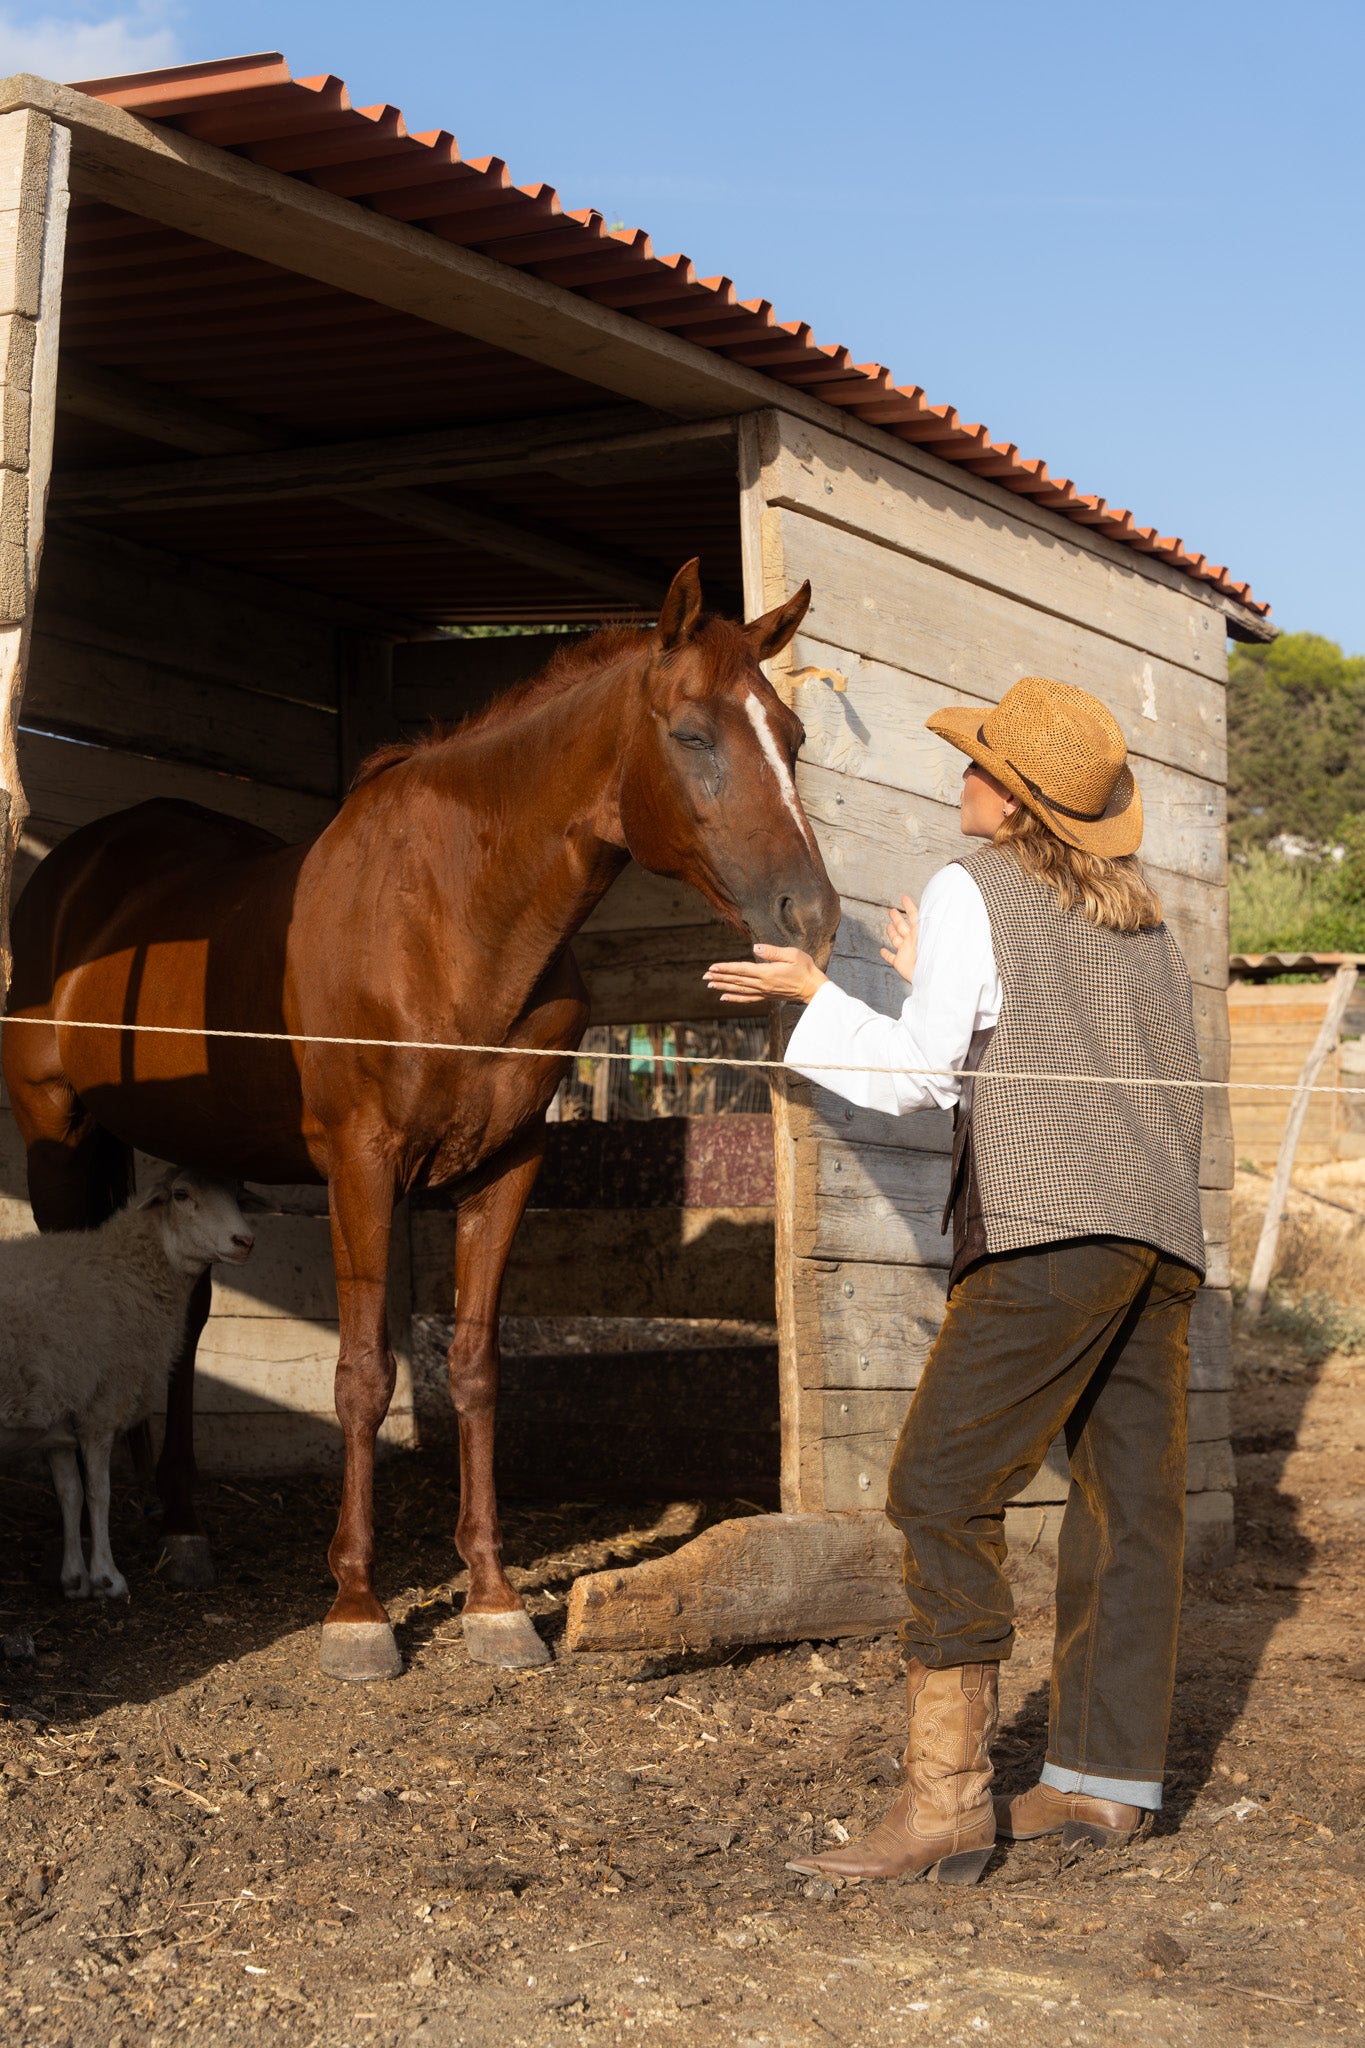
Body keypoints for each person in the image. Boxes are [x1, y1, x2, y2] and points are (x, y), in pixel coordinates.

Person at [704, 675, 1204, 1886]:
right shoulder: (1144, 921)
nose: (959, 776)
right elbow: (1042, 1040)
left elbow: (924, 1078)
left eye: (977, 764)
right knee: (1129, 1504)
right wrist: (939, 978)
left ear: (1014, 798)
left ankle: (946, 1807)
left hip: (1052, 1235)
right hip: (1159, 1239)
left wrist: (815, 994)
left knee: (935, 1484)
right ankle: (1102, 1787)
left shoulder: (971, 887)